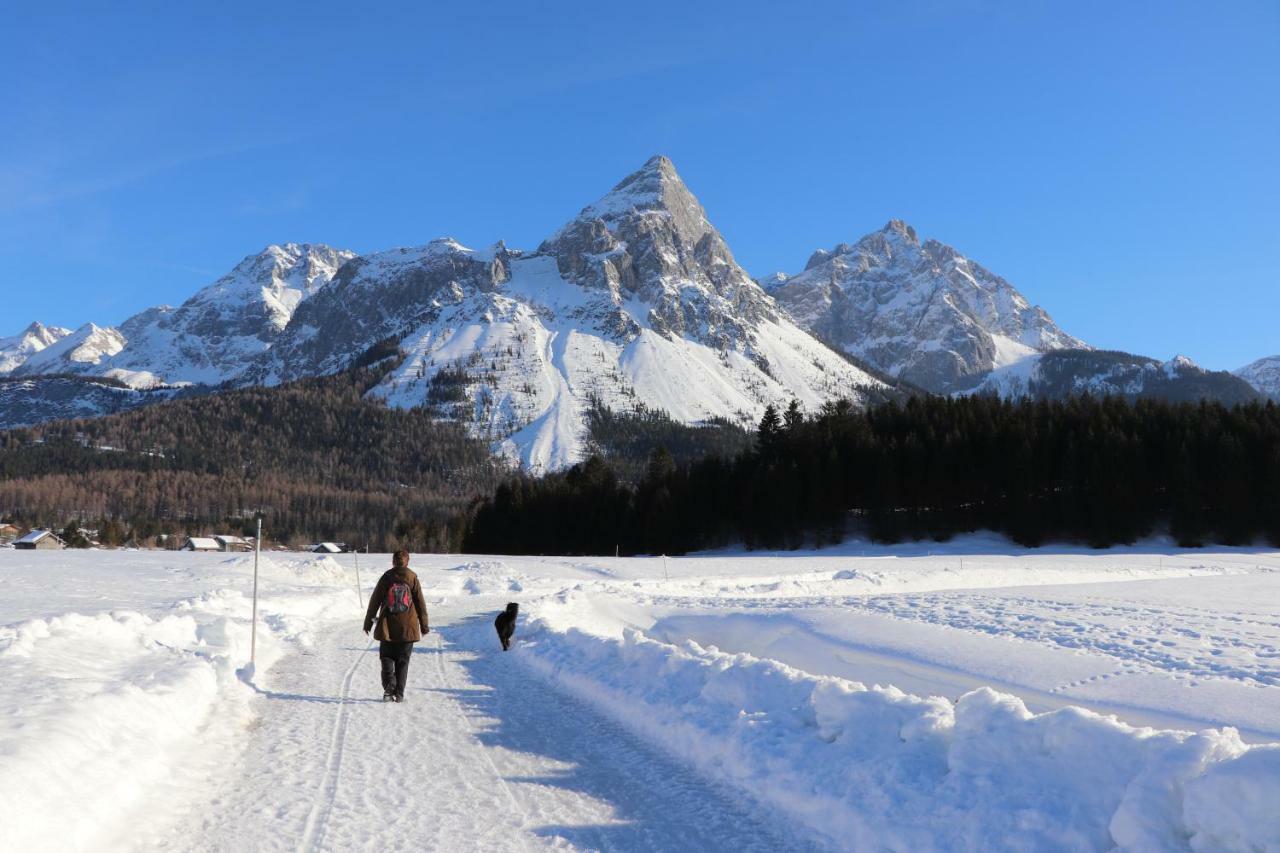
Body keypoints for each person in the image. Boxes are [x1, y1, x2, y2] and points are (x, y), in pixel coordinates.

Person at [363, 549, 429, 702]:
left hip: (387, 627)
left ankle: (389, 685)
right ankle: (399, 695)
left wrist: (368, 623)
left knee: (386, 657)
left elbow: (375, 601)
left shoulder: (387, 577)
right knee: (403, 662)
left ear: (393, 562)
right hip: (408, 628)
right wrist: (424, 625)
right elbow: (420, 603)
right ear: (408, 561)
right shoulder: (413, 577)